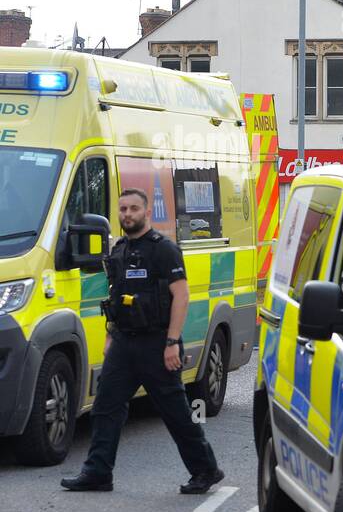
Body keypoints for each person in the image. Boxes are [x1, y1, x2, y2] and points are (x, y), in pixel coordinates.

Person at [60, 189, 224, 494]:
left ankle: (206, 470)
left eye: (134, 208)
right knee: (105, 407)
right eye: (123, 208)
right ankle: (98, 472)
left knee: (174, 412)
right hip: (124, 343)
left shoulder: (164, 250)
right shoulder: (119, 249)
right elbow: (115, 298)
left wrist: (172, 342)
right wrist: (111, 336)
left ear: (147, 213)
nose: (127, 214)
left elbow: (181, 295)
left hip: (157, 342)